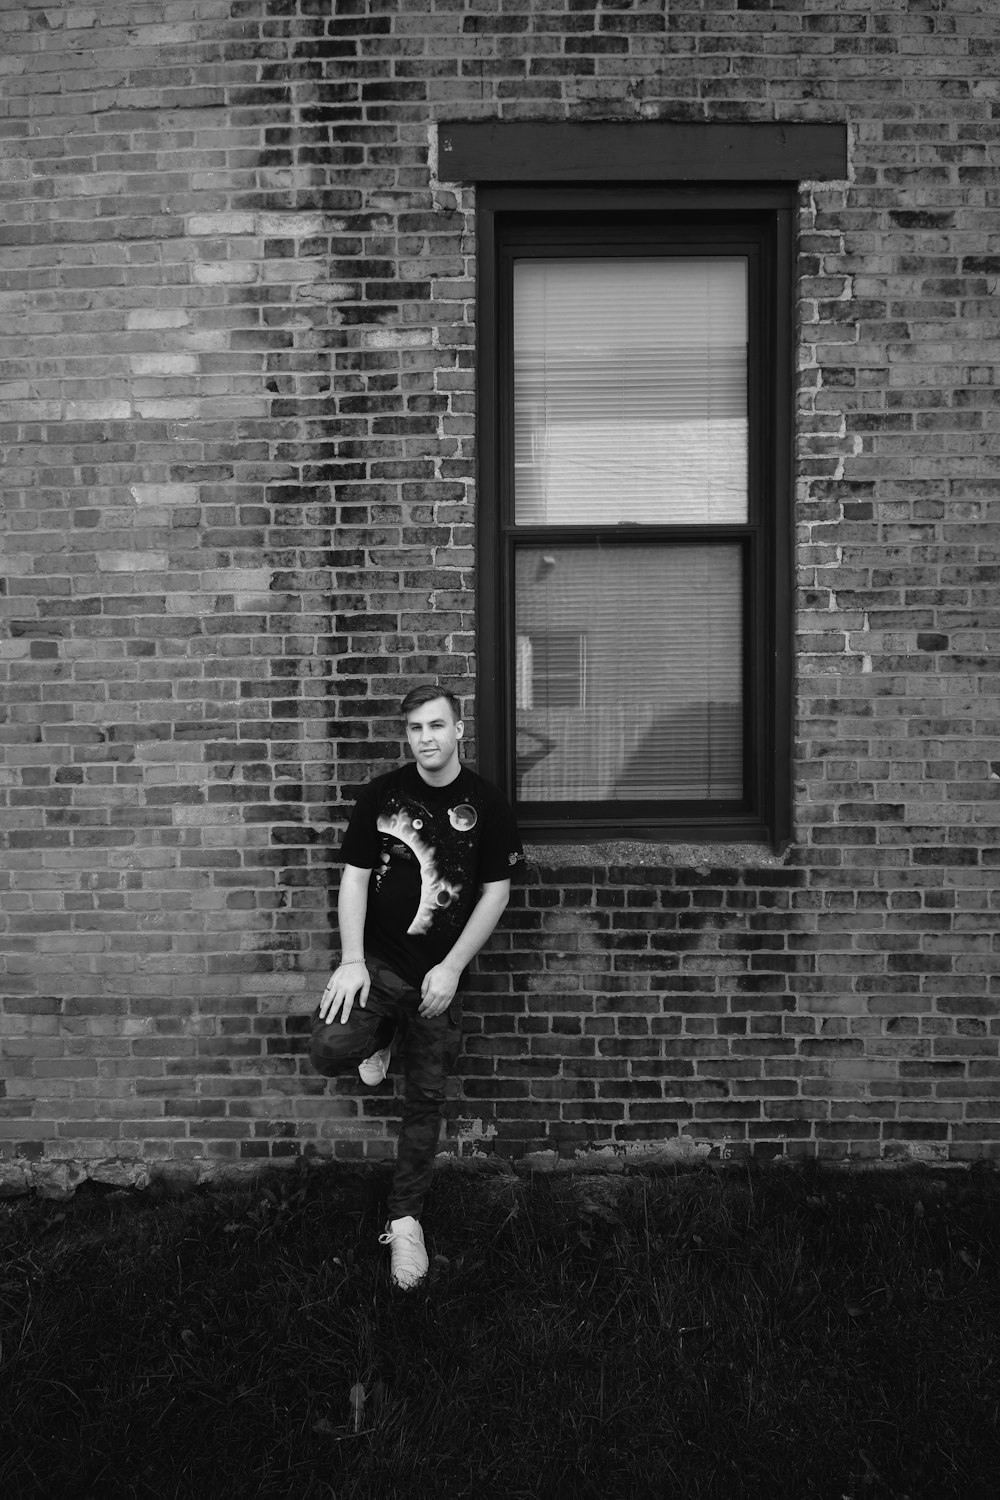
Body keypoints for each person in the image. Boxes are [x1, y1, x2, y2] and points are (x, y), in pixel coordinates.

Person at [310, 685, 524, 1289]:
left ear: (460, 731)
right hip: (377, 967)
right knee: (327, 1049)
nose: (425, 738)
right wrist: (351, 960)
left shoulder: (487, 803)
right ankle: (381, 1030)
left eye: (436, 725)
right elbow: (353, 877)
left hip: (437, 980)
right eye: (414, 728)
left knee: (424, 1101)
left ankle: (405, 1222)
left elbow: (496, 893)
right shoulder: (383, 794)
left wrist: (453, 968)